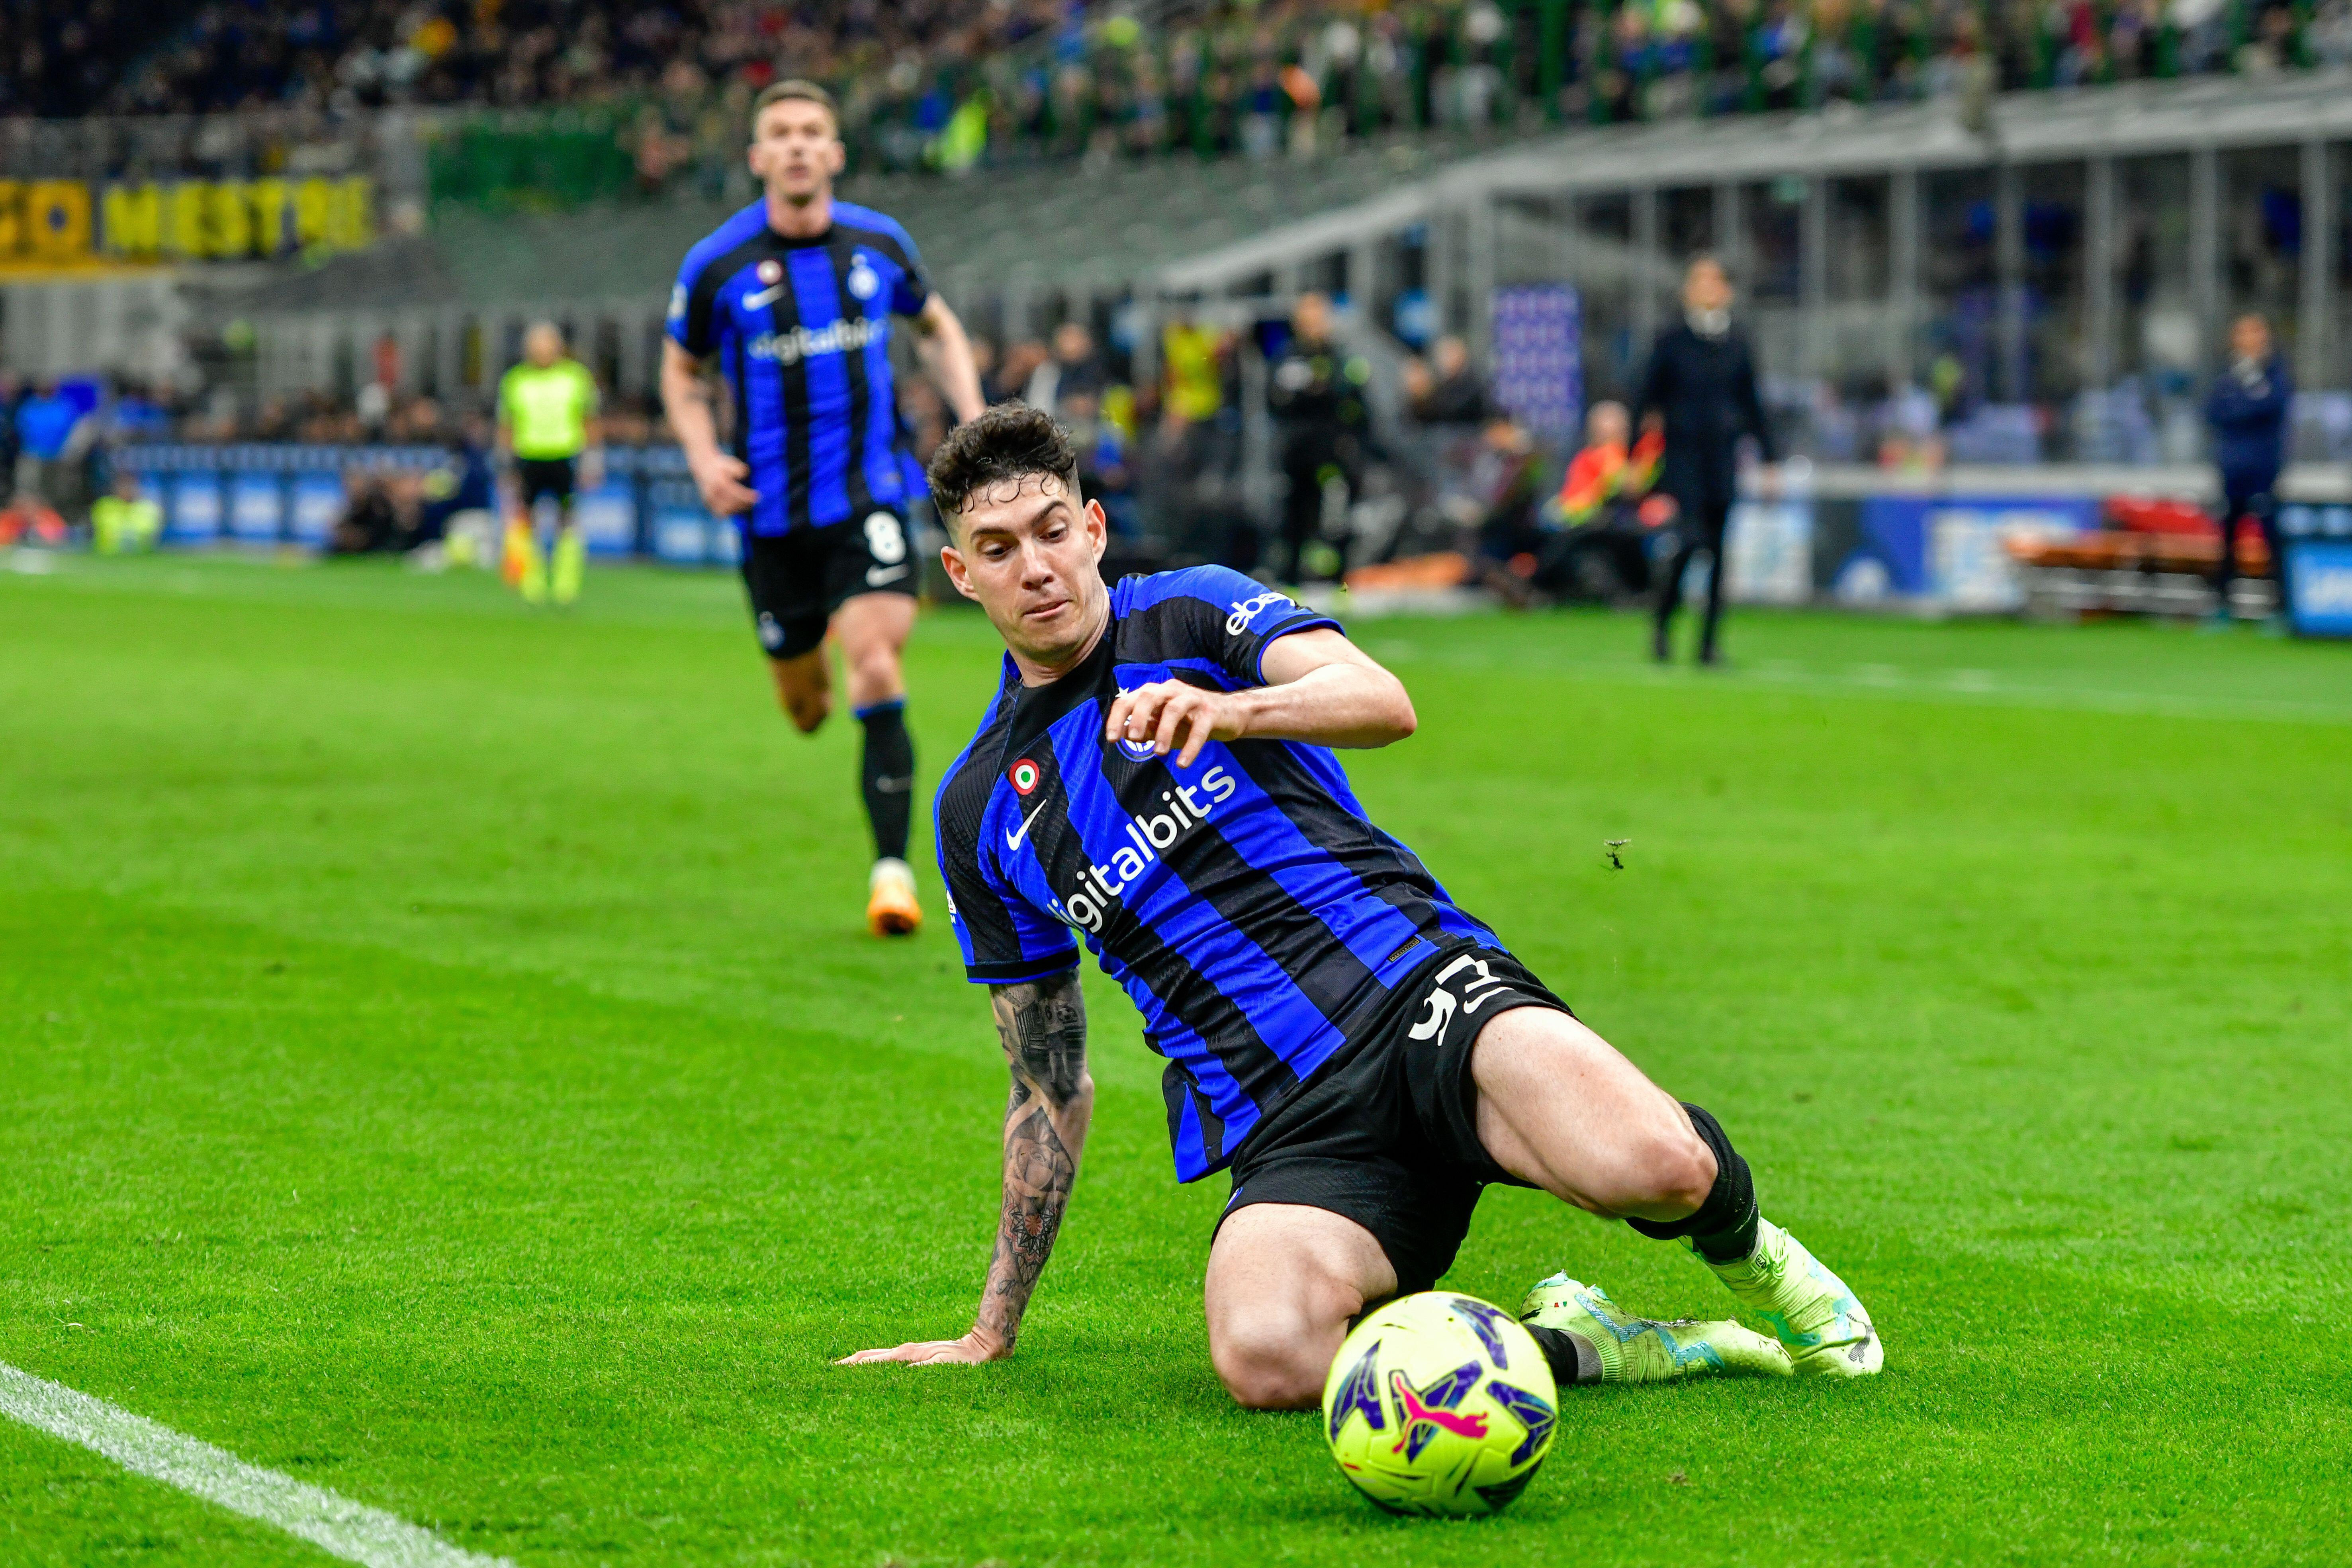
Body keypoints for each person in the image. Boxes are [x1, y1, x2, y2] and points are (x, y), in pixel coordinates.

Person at [841, 405, 1882, 1405]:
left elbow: (1383, 702)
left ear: (1093, 529)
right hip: (1288, 1122)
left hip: (1424, 997)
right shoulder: (979, 809)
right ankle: (1584, 1343)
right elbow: (1046, 1083)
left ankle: (1765, 1272)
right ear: (959, 574)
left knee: (1651, 1165)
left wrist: (1233, 709)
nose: (1035, 566)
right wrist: (992, 1327)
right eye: (997, 546)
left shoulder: (1192, 611)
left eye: (1052, 530)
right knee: (1268, 1358)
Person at [661, 78, 986, 938]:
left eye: (814, 131)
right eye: (782, 134)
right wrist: (702, 458)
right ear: (758, 157)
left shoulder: (879, 244)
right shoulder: (716, 265)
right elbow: (680, 372)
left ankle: (892, 874)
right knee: (806, 707)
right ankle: (815, 676)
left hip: (867, 495)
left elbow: (937, 325)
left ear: (836, 153)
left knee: (876, 662)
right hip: (769, 517)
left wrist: (973, 413)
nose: (799, 145)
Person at [1636, 256, 1777, 665]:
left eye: (1714, 281)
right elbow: (1644, 398)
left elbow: (1752, 404)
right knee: (1691, 540)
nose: (1706, 288)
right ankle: (1662, 619)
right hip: (1681, 460)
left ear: (1726, 292)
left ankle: (1707, 645)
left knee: (1717, 552)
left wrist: (1769, 460)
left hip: (1721, 460)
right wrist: (1632, 455)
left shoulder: (1737, 343)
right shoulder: (1670, 341)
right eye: (1698, 280)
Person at [1267, 291, 1370, 583]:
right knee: (1295, 516)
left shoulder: (1339, 355)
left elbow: (1355, 400)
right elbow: (1276, 400)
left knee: (1336, 515)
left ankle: (1338, 580)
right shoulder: (1287, 356)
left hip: (1332, 451)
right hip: (1297, 451)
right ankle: (1291, 580)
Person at [497, 323, 603, 606]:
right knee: (524, 519)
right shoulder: (515, 380)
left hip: (564, 454)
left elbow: (589, 420)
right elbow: (507, 425)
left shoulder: (576, 377)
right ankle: (532, 583)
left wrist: (593, 459)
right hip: (528, 455)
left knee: (567, 521)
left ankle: (565, 585)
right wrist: (505, 463)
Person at [2203, 312, 2291, 627]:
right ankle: (2222, 606)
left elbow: (2271, 407)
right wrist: (2248, 405)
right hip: (2232, 470)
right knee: (2228, 537)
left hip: (2264, 470)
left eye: (2255, 333)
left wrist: (2244, 403)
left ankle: (2280, 608)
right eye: (2243, 333)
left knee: (2270, 537)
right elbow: (2215, 412)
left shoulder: (2276, 373)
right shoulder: (2227, 376)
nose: (2249, 340)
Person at [91, 471, 162, 554]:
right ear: (115, 487)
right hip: (108, 557)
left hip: (141, 558)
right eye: (123, 486)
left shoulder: (149, 508)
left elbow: (149, 534)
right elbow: (105, 530)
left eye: (130, 485)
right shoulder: (104, 506)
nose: (126, 489)